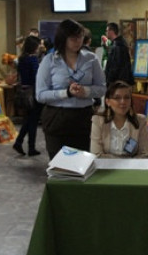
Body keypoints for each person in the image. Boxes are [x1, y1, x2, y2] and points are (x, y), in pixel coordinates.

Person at [36, 19, 106, 159]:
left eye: (80, 37)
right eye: (73, 38)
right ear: (63, 38)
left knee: (83, 162)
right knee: (59, 163)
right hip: (57, 118)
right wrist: (66, 93)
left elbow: (102, 88)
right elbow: (40, 95)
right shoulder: (50, 60)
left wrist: (86, 91)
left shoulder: (91, 59)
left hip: (84, 117)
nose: (78, 41)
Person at [91, 81, 148, 158]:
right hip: (107, 165)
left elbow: (146, 154)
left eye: (126, 97)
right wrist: (122, 161)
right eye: (117, 98)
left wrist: (127, 163)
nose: (123, 102)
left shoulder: (140, 121)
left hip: (132, 165)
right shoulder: (98, 121)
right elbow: (96, 154)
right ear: (108, 102)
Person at [13, 36, 43, 156]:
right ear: (34, 46)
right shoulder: (33, 59)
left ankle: (21, 143)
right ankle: (28, 146)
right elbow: (36, 77)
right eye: (38, 45)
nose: (40, 47)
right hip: (33, 93)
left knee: (28, 120)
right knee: (33, 120)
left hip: (24, 92)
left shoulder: (21, 59)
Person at [104, 22, 134, 86]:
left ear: (111, 31)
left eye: (106, 30)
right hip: (121, 81)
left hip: (118, 82)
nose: (105, 33)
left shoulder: (117, 46)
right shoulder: (119, 43)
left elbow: (115, 66)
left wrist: (109, 80)